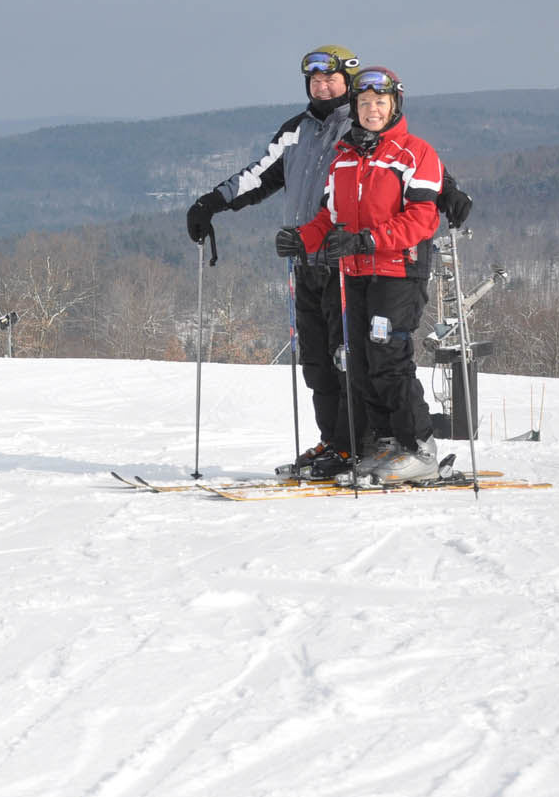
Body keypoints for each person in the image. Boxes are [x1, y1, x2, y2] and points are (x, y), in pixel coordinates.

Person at [185, 46, 363, 478]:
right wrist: (211, 203)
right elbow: (259, 175)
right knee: (317, 361)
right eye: (315, 81)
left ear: (348, 82)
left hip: (350, 263)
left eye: (331, 79)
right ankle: (334, 444)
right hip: (304, 264)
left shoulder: (362, 124)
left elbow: (404, 163)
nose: (323, 86)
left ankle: (358, 443)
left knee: (348, 358)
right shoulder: (297, 130)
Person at [278, 66, 443, 485]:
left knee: (388, 357)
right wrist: (303, 239)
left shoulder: (414, 153)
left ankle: (419, 446)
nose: (371, 110)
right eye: (364, 103)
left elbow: (423, 218)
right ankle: (385, 441)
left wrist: (369, 240)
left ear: (395, 105)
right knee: (359, 360)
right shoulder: (346, 156)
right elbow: (329, 218)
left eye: (380, 103)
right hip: (354, 272)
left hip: (398, 271)